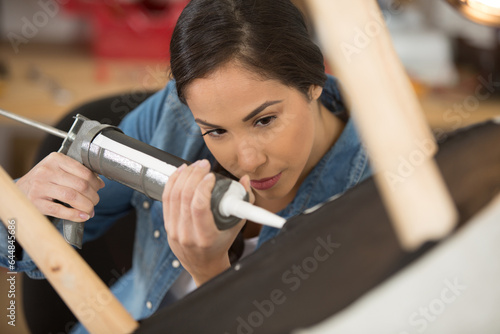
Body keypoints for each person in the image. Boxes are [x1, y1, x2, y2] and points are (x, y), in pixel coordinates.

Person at [0, 0, 371, 332]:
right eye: (215, 131)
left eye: (264, 120)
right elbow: (22, 252)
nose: (248, 161)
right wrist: (19, 210)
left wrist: (209, 275)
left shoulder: (384, 190)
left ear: (313, 82)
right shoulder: (172, 118)